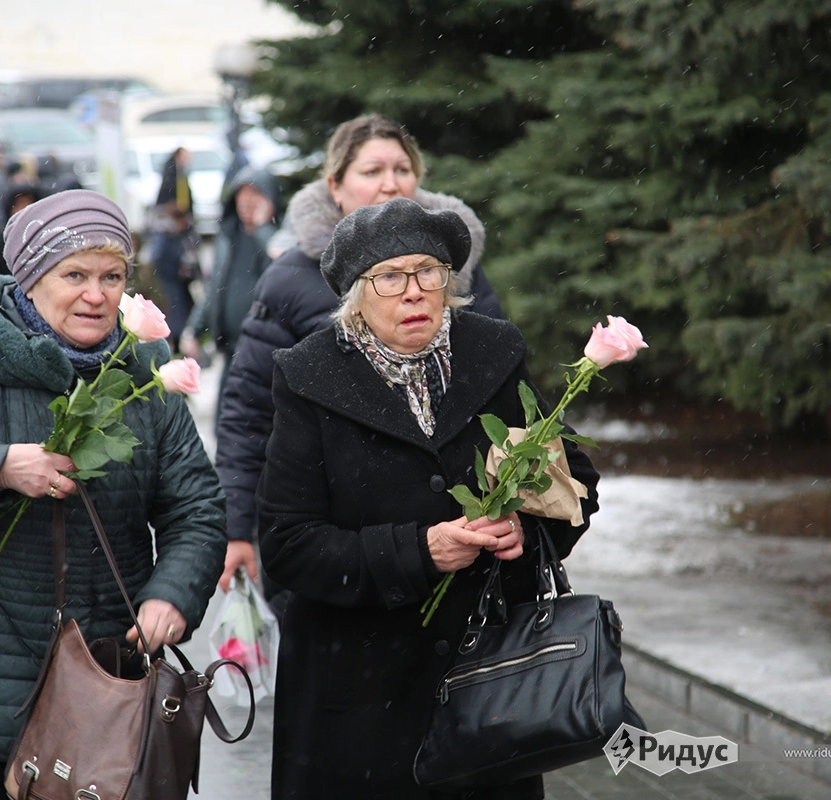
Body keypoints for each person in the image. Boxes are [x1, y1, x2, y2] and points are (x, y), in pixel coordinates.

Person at [0, 189, 226, 798]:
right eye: (74, 275)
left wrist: (173, 594)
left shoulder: (144, 379)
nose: (97, 295)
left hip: (104, 695)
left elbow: (196, 509)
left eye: (112, 277)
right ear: (30, 280)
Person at [257, 198, 600, 799]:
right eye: (389, 276)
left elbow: (576, 483)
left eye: (427, 272)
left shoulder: (493, 354)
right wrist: (419, 552)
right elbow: (289, 545)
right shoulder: (309, 376)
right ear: (356, 295)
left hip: (484, 689)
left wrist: (526, 531)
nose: (413, 291)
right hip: (360, 702)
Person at [215, 113, 504, 605]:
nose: (391, 184)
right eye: (372, 171)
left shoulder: (457, 269)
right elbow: (248, 413)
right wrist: (237, 527)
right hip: (342, 549)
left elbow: (498, 383)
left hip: (461, 541)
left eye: (402, 169)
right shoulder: (291, 279)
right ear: (335, 187)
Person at [179, 165, 280, 401]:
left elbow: (280, 271)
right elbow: (215, 288)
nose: (247, 200)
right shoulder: (228, 236)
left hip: (265, 353)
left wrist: (262, 228)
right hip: (231, 350)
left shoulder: (279, 238)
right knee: (226, 415)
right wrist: (194, 330)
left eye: (255, 193)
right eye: (242, 193)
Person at [149, 146, 200, 346]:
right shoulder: (174, 178)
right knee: (175, 300)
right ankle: (175, 335)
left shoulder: (176, 175)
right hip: (171, 273)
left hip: (171, 271)